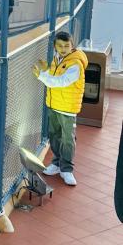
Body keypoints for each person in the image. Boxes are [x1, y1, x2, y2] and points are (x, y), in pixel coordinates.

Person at [32, 31, 88, 186]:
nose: (63, 48)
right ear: (55, 46)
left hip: (67, 108)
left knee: (67, 139)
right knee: (54, 135)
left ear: (72, 46)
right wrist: (46, 71)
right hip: (54, 105)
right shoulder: (57, 58)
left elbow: (61, 82)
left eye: (66, 46)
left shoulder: (75, 64)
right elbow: (55, 76)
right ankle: (57, 164)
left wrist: (42, 76)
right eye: (60, 46)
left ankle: (67, 169)